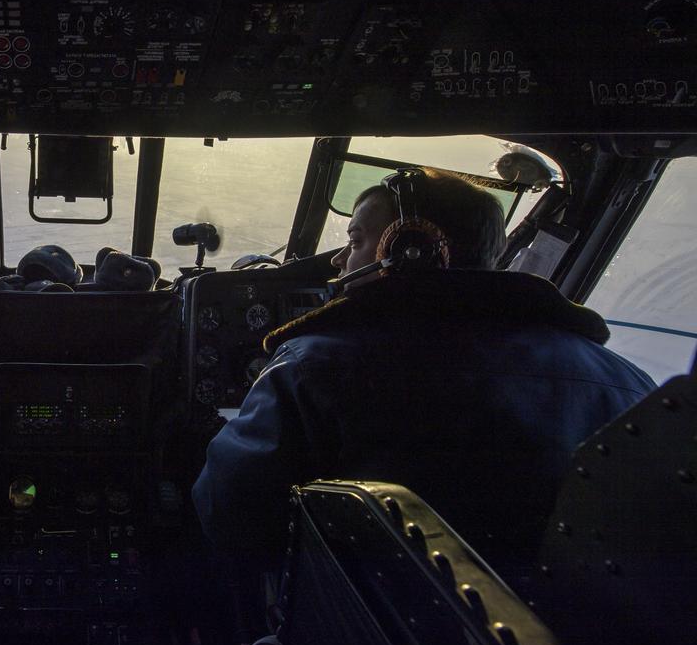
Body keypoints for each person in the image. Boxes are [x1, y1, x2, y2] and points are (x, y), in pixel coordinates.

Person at [191, 168, 655, 579]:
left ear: (410, 251)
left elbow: (229, 518)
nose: (338, 261)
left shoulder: (315, 365)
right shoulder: (631, 385)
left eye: (354, 243)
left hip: (366, 644)